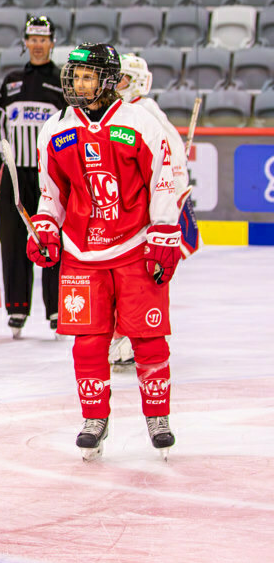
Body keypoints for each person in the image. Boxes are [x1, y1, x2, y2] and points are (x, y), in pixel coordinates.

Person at [28, 43, 181, 461]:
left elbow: (162, 182)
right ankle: (95, 418)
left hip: (134, 247)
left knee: (149, 339)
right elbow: (51, 193)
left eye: (88, 77)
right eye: (75, 77)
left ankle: (157, 417)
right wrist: (46, 227)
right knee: (88, 343)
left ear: (109, 81)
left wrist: (165, 232)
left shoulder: (140, 124)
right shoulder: (56, 130)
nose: (79, 84)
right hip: (81, 252)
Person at [108, 53, 198, 370]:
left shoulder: (146, 112)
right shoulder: (121, 113)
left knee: (142, 281)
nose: (116, 86)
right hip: (126, 214)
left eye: (122, 80)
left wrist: (163, 213)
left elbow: (174, 168)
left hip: (144, 217)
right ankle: (126, 338)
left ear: (137, 83)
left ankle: (136, 339)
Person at [0, 16, 65, 338]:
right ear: (25, 42)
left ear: (52, 43)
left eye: (42, 39)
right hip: (15, 175)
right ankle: (17, 308)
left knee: (51, 238)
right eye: (32, 39)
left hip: (49, 174)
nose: (37, 44)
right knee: (14, 241)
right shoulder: (11, 81)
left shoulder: (62, 81)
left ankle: (57, 309)